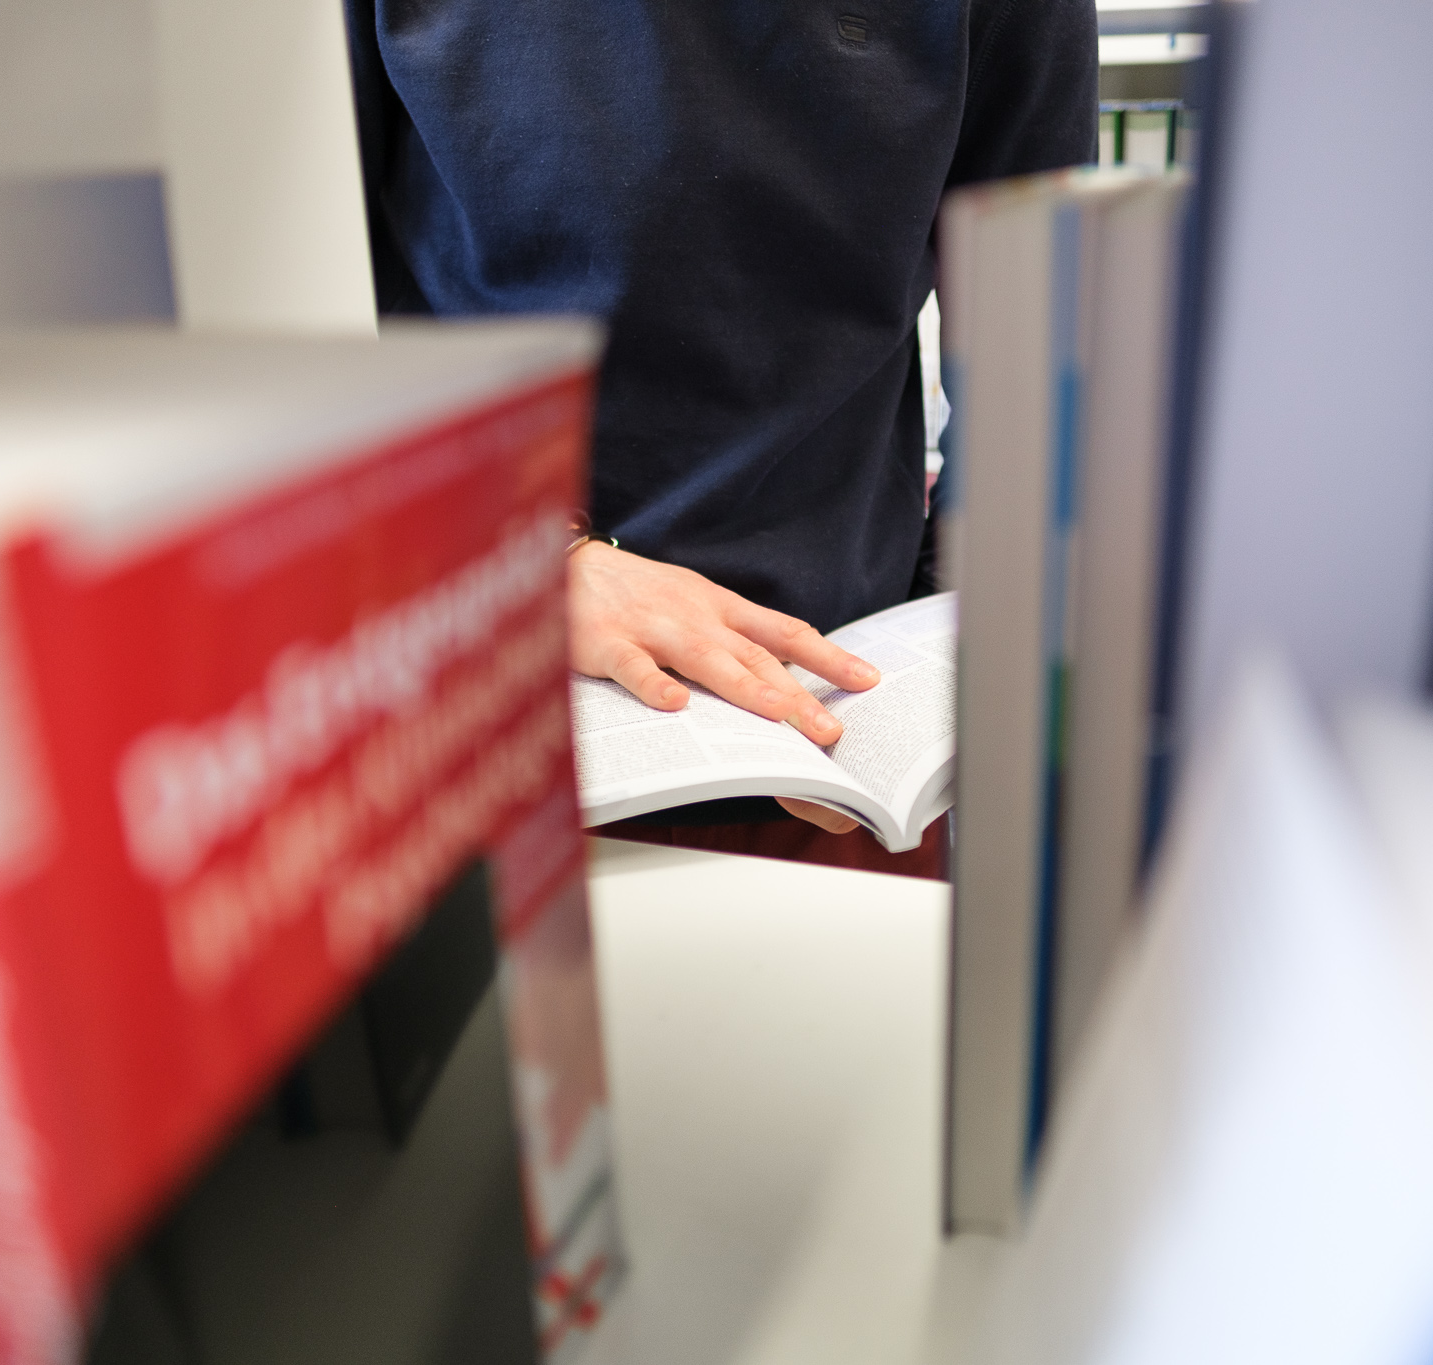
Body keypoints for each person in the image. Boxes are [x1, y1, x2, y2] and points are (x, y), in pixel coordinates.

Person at [344, 0, 1099, 872]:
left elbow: (1036, 359)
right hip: (475, 707)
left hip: (836, 758)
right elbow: (274, 313)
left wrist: (936, 651)